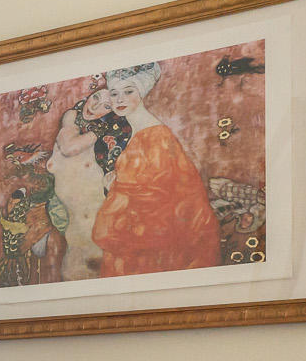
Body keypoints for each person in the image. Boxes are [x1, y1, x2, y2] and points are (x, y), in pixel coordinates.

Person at [89, 63, 221, 276]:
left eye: (128, 91)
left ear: (141, 93)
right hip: (136, 229)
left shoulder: (155, 135)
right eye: (114, 94)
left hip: (152, 234)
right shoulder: (138, 130)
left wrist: (114, 185)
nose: (120, 99)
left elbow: (160, 189)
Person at [47, 80, 129, 280]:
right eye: (95, 98)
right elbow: (68, 148)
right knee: (77, 265)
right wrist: (102, 128)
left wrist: (109, 184)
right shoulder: (73, 118)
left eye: (106, 106)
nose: (94, 106)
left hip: (95, 214)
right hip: (75, 219)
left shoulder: (106, 142)